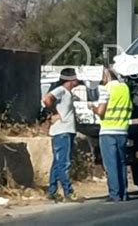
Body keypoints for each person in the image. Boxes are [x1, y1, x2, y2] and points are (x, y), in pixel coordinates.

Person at [90, 68, 132, 202]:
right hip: (122, 130)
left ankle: (115, 194)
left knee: (111, 164)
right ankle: (124, 193)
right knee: (121, 163)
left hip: (108, 131)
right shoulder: (125, 88)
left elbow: (101, 111)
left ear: (107, 75)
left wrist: (93, 107)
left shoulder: (106, 89)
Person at [43, 68, 81, 202]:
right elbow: (47, 99)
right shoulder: (61, 90)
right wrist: (54, 112)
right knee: (63, 163)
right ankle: (68, 192)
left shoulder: (68, 93)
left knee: (57, 163)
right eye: (75, 79)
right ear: (70, 80)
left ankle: (52, 191)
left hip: (65, 131)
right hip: (62, 131)